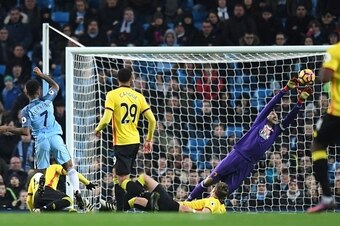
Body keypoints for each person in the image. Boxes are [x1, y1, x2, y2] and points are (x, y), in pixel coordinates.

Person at [187, 78, 312, 201]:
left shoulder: (276, 131)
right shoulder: (259, 122)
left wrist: (300, 102)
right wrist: (285, 90)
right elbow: (270, 105)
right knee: (210, 179)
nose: (273, 114)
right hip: (237, 155)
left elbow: (290, 118)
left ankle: (209, 208)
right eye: (272, 113)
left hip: (248, 165)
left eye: (276, 114)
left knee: (225, 191)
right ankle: (189, 199)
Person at [0, 67, 85, 209]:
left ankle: (41, 190)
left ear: (26, 92)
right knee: (70, 167)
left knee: (41, 171)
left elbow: (25, 132)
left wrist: (8, 128)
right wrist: (41, 75)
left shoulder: (26, 111)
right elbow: (55, 86)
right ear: (39, 90)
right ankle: (76, 190)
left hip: (41, 140)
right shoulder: (48, 99)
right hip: (55, 136)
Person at [95, 68, 156, 211]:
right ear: (131, 78)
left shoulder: (112, 95)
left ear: (117, 79)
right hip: (135, 141)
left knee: (122, 179)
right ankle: (120, 208)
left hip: (122, 143)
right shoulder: (138, 96)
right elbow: (152, 120)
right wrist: (149, 139)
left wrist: (98, 129)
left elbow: (106, 119)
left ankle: (146, 195)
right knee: (117, 176)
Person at [307, 42, 340, 213]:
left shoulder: (335, 51)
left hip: (337, 113)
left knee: (318, 144)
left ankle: (327, 197)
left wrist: (323, 67)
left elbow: (325, 77)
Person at [102, 173, 227, 214]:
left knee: (144, 177)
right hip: (168, 209)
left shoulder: (213, 201)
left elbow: (205, 214)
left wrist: (190, 210)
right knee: (136, 201)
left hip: (172, 206)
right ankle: (114, 209)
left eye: (213, 188)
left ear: (214, 191)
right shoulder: (222, 208)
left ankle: (120, 184)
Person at [27, 163, 97, 212]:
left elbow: (29, 200)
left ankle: (41, 210)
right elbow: (72, 173)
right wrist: (87, 183)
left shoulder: (33, 178)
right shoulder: (53, 167)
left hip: (36, 201)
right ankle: (43, 209)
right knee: (68, 200)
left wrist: (33, 210)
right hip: (46, 190)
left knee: (62, 211)